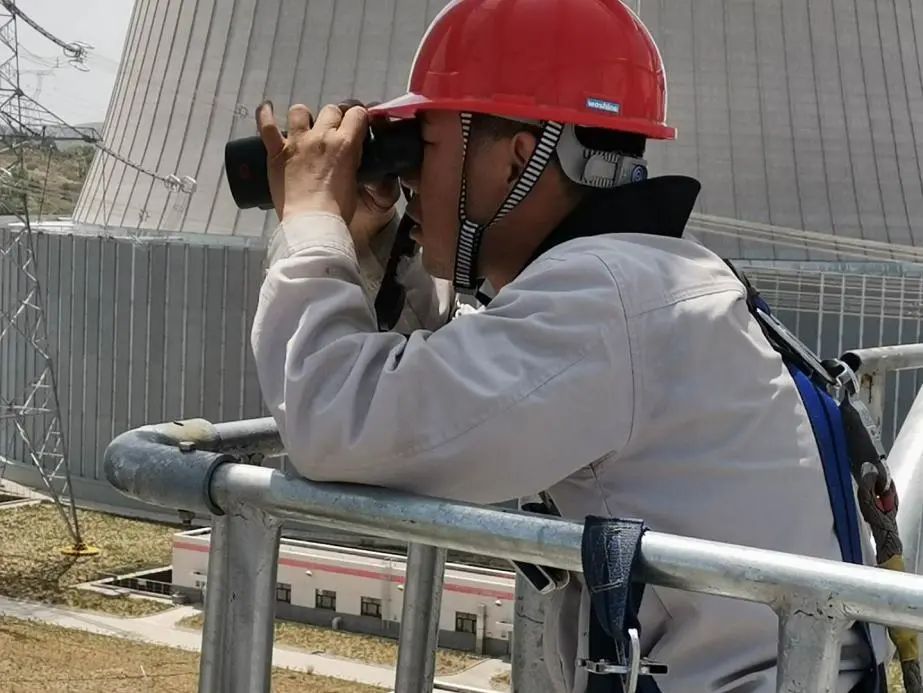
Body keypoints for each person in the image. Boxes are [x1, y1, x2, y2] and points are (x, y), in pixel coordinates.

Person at [250, 0, 887, 690]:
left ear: (520, 156)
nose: (403, 180)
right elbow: (443, 381)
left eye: (423, 148)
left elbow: (339, 420)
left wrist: (313, 218)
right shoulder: (648, 280)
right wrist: (379, 242)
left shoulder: (603, 300)